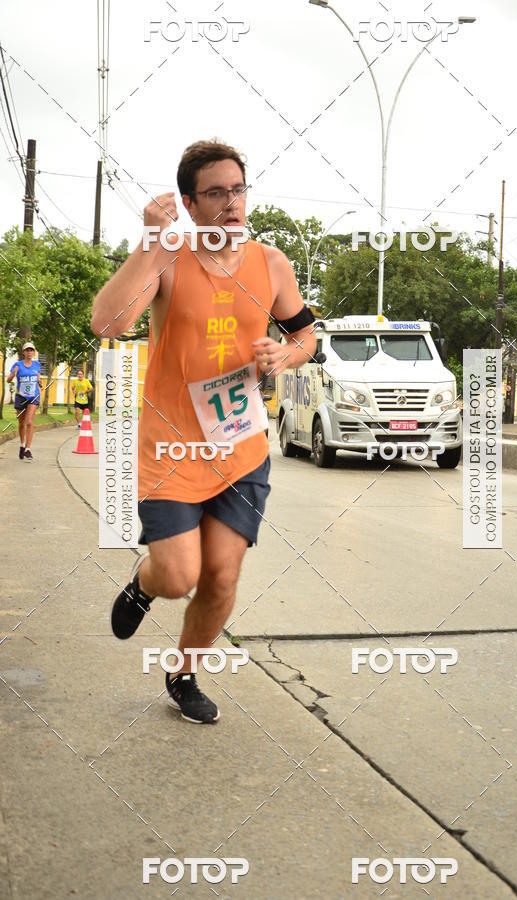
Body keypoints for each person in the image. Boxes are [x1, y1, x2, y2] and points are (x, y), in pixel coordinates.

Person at [91, 140, 316, 723]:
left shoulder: (272, 264)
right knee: (178, 573)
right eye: (215, 192)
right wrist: (150, 240)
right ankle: (145, 584)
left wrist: (283, 357)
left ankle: (183, 672)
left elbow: (306, 337)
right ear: (189, 203)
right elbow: (108, 322)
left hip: (240, 446)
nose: (230, 203)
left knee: (220, 576)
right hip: (171, 445)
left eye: (238, 189)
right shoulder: (168, 256)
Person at [6, 341, 43, 460]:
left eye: (31, 350)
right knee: (21, 423)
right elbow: (8, 380)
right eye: (27, 350)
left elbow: (38, 376)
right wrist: (13, 373)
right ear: (23, 352)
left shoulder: (36, 364)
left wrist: (40, 382)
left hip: (34, 396)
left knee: (29, 421)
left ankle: (28, 449)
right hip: (21, 397)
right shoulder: (17, 365)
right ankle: (22, 446)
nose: (29, 352)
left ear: (34, 352)